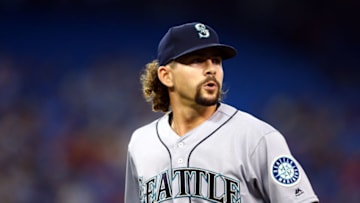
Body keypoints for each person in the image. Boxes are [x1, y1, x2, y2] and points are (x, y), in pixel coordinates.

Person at [125, 22, 319, 203]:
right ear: (166, 76)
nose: (211, 69)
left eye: (216, 61)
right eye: (197, 61)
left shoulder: (257, 138)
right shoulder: (141, 142)